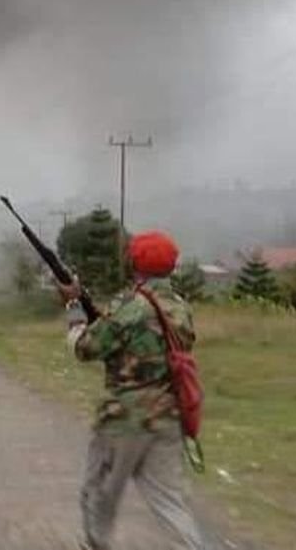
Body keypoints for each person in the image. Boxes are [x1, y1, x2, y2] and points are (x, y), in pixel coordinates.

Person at [58, 231, 207, 550]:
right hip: (167, 417)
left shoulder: (131, 304)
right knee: (169, 502)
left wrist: (73, 307)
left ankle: (97, 544)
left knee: (98, 492)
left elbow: (85, 348)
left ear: (134, 263)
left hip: (124, 420)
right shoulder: (180, 307)